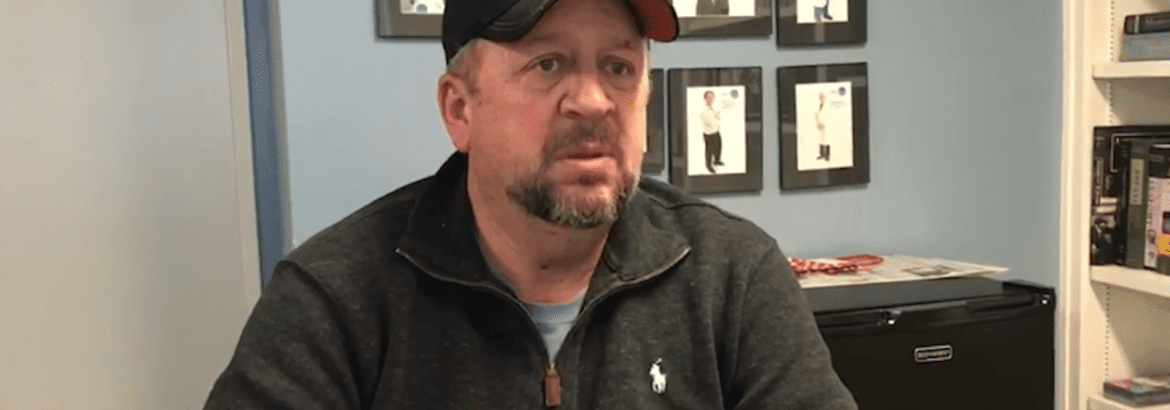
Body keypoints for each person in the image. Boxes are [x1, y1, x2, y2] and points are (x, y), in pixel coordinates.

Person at [203, 0, 857, 409]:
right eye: (548, 64)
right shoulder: (336, 298)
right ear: (460, 110)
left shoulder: (731, 277)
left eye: (618, 67)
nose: (593, 101)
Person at [700, 90, 725, 173]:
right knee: (709, 151)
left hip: (716, 131)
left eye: (712, 97)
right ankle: (708, 166)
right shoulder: (703, 110)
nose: (711, 99)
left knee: (719, 146)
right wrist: (716, 121)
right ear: (705, 98)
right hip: (709, 134)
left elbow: (719, 118)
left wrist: (717, 115)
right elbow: (709, 122)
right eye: (709, 97)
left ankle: (717, 161)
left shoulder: (712, 107)